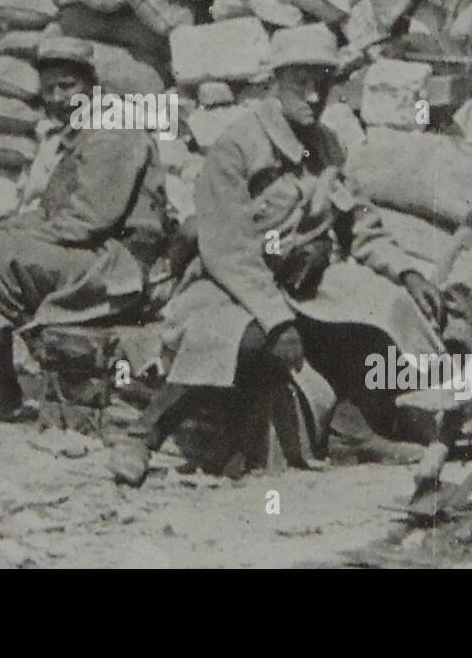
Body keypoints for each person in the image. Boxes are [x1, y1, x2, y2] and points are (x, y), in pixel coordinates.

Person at [109, 24, 443, 485]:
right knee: (234, 337)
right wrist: (277, 319)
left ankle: (352, 430)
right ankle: (143, 436)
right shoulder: (237, 147)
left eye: (321, 83)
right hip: (230, 285)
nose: (312, 96)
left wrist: (406, 273)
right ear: (273, 86)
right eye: (300, 84)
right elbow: (227, 249)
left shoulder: (327, 146)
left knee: (386, 304)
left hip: (301, 283)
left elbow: (360, 223)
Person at [0, 36, 167, 426]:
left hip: (121, 268)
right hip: (98, 254)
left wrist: (9, 238)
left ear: (93, 86)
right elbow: (55, 214)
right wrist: (10, 230)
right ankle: (2, 381)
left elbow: (88, 221)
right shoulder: (82, 131)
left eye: (68, 86)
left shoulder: (114, 132)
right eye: (50, 88)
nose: (58, 98)